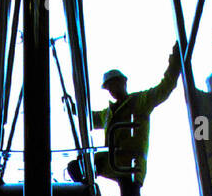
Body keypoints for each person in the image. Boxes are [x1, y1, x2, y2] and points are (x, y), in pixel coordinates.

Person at [68, 42, 181, 187]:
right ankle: (87, 193)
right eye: (109, 87)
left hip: (131, 165)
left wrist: (175, 60)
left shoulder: (140, 101)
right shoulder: (108, 113)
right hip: (112, 163)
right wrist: (72, 108)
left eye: (114, 84)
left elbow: (165, 87)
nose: (112, 89)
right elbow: (89, 118)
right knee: (77, 167)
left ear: (124, 82)